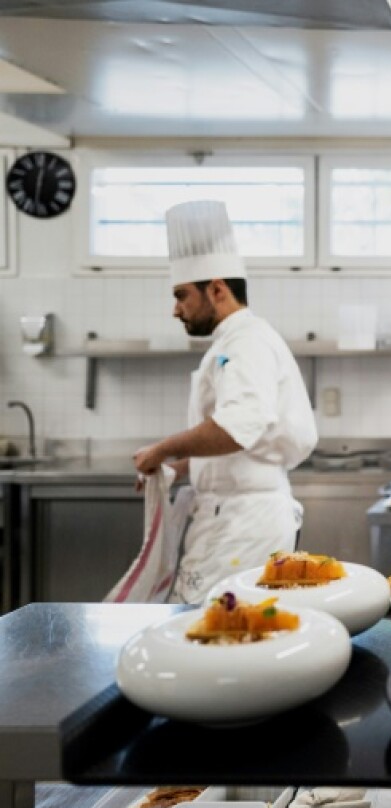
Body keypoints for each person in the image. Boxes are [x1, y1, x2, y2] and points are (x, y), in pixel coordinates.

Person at [133, 200, 318, 601]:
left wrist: (161, 449)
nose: (175, 309)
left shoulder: (247, 343)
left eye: (181, 295)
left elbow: (237, 429)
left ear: (216, 289)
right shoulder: (235, 342)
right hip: (233, 518)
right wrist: (177, 467)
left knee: (221, 635)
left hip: (242, 525)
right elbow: (238, 443)